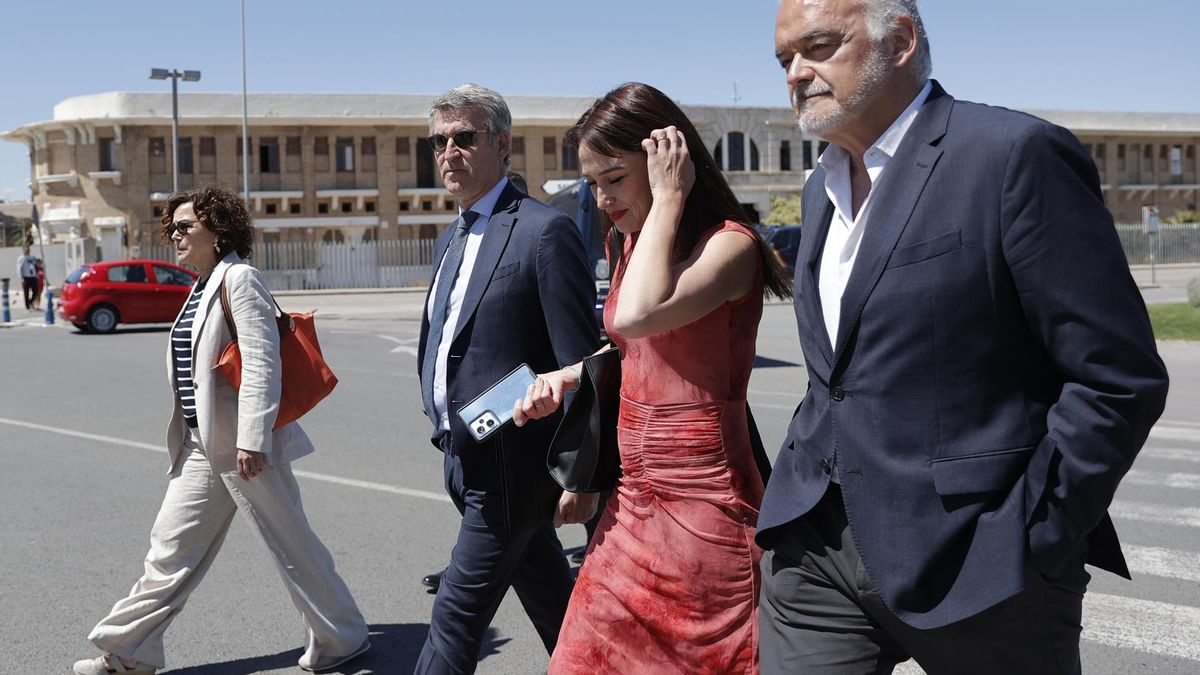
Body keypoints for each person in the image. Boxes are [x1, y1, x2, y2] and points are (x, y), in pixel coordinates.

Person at [757, 1, 1170, 673]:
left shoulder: (1010, 157)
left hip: (982, 563)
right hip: (818, 553)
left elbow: (1117, 375)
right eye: (784, 60)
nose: (797, 73)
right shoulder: (819, 189)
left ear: (901, 41)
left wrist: (1037, 533)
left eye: (819, 46)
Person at [515, 82, 791, 674]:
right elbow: (632, 349)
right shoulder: (631, 242)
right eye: (591, 182)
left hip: (706, 515)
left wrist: (668, 199)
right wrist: (569, 379)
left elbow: (639, 315)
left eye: (614, 179)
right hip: (631, 505)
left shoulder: (731, 247)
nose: (601, 198)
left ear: (671, 160)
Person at [72, 185, 369, 675]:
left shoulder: (240, 278)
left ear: (219, 228)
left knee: (292, 547)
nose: (175, 236)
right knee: (170, 549)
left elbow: (260, 362)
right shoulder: (204, 282)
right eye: (172, 228)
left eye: (186, 226)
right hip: (201, 444)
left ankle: (342, 637)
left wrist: (252, 437)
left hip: (241, 447)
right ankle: (130, 652)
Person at [414, 84, 599, 674]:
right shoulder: (452, 237)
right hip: (462, 455)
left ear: (500, 143)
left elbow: (582, 362)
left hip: (512, 466)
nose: (449, 152)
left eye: (464, 138)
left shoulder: (543, 231)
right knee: (557, 605)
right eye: (439, 141)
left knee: (454, 619)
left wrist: (585, 475)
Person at [16, 245, 37, 310]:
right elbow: (19, 268)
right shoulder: (21, 258)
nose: (27, 251)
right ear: (23, 250)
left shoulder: (32, 257)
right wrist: (21, 277)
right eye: (26, 250)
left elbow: (35, 266)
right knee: (26, 293)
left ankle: (30, 302)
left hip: (33, 277)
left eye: (28, 249)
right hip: (25, 277)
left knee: (35, 291)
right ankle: (27, 306)